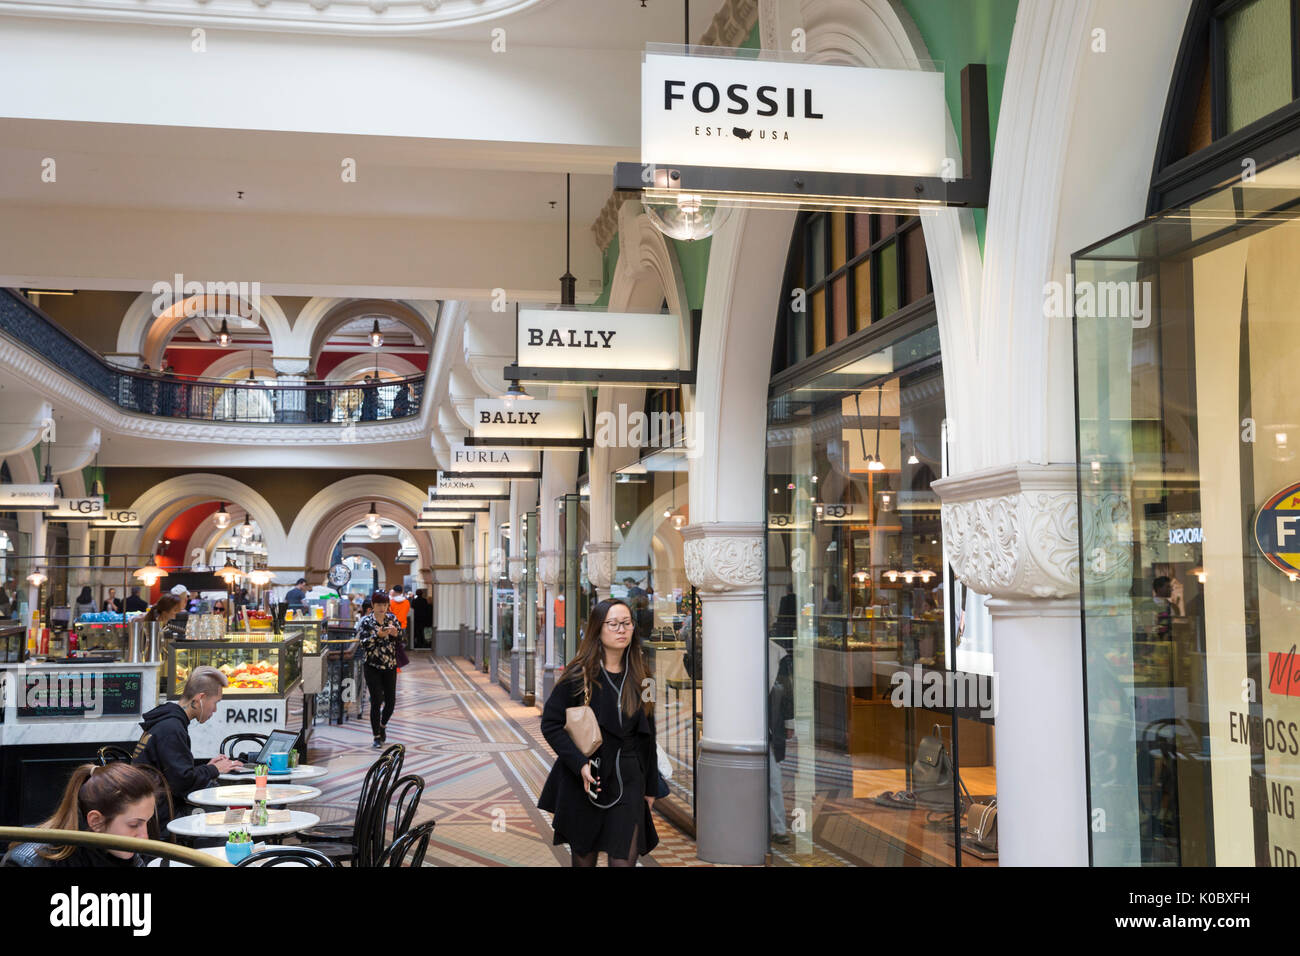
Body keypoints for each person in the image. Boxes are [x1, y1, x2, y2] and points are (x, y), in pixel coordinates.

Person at [538, 599, 661, 867]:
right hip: (587, 779)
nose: (622, 630)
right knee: (584, 859)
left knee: (623, 861)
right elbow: (550, 723)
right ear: (598, 629)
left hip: (629, 780)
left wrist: (651, 787)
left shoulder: (645, 677)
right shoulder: (579, 675)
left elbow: (648, 735)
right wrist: (579, 763)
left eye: (627, 623)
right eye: (613, 624)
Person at [131, 665, 240, 826]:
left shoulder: (166, 722)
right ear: (200, 698)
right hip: (159, 815)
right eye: (215, 702)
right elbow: (182, 783)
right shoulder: (172, 729)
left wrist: (207, 768)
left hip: (149, 804)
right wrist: (213, 770)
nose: (215, 709)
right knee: (229, 820)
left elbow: (176, 773)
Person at [1, 762, 162, 867]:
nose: (144, 837)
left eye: (146, 823)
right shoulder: (28, 863)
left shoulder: (123, 853)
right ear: (96, 821)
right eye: (134, 824)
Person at [356, 590, 401, 749]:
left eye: (384, 604)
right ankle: (376, 736)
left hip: (390, 665)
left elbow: (401, 640)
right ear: (373, 605)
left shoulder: (392, 619)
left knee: (391, 702)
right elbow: (362, 643)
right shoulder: (366, 621)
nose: (382, 608)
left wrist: (396, 634)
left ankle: (383, 725)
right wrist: (378, 636)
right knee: (376, 701)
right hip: (372, 666)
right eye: (378, 604)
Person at [768, 652, 795, 844]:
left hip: (771, 726)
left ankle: (778, 828)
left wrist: (789, 722)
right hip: (746, 725)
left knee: (773, 778)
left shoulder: (778, 654)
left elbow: (787, 689)